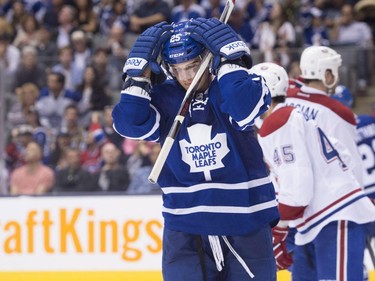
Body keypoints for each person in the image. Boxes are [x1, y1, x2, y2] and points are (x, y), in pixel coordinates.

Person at [112, 18, 279, 280]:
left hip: (246, 223)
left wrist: (231, 58)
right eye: (177, 69)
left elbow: (244, 110)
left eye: (193, 66)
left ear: (209, 59)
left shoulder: (235, 86)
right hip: (185, 228)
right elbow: (128, 124)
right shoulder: (164, 97)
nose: (187, 76)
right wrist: (137, 73)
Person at [253, 62, 375, 280]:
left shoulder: (279, 122)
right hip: (314, 223)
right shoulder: (286, 119)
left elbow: (297, 191)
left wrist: (277, 233)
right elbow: (342, 156)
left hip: (334, 217)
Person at [285, 46, 364, 189]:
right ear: (327, 75)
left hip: (286, 183)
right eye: (335, 71)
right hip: (324, 191)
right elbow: (352, 165)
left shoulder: (285, 96)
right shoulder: (337, 112)